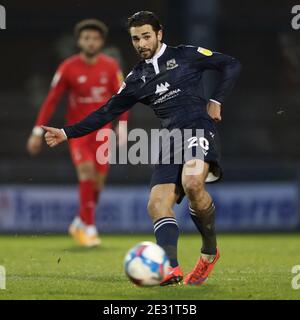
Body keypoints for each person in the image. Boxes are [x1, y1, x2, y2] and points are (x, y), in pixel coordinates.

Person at [42, 11, 241, 286]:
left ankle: (209, 253)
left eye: (146, 36)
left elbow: (230, 64)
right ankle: (170, 269)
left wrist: (217, 100)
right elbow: (105, 112)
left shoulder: (186, 55)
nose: (141, 43)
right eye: (136, 38)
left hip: (197, 127)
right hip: (170, 139)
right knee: (156, 204)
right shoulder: (136, 79)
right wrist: (66, 132)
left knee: (194, 184)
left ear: (159, 34)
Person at [26, 19, 128, 247]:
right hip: (78, 132)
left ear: (101, 41)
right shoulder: (68, 68)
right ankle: (90, 229)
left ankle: (80, 221)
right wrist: (36, 131)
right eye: (86, 38)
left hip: (103, 133)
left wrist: (122, 126)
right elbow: (51, 101)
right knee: (86, 173)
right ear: (79, 41)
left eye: (95, 38)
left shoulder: (111, 66)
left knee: (98, 183)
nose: (90, 42)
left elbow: (123, 99)